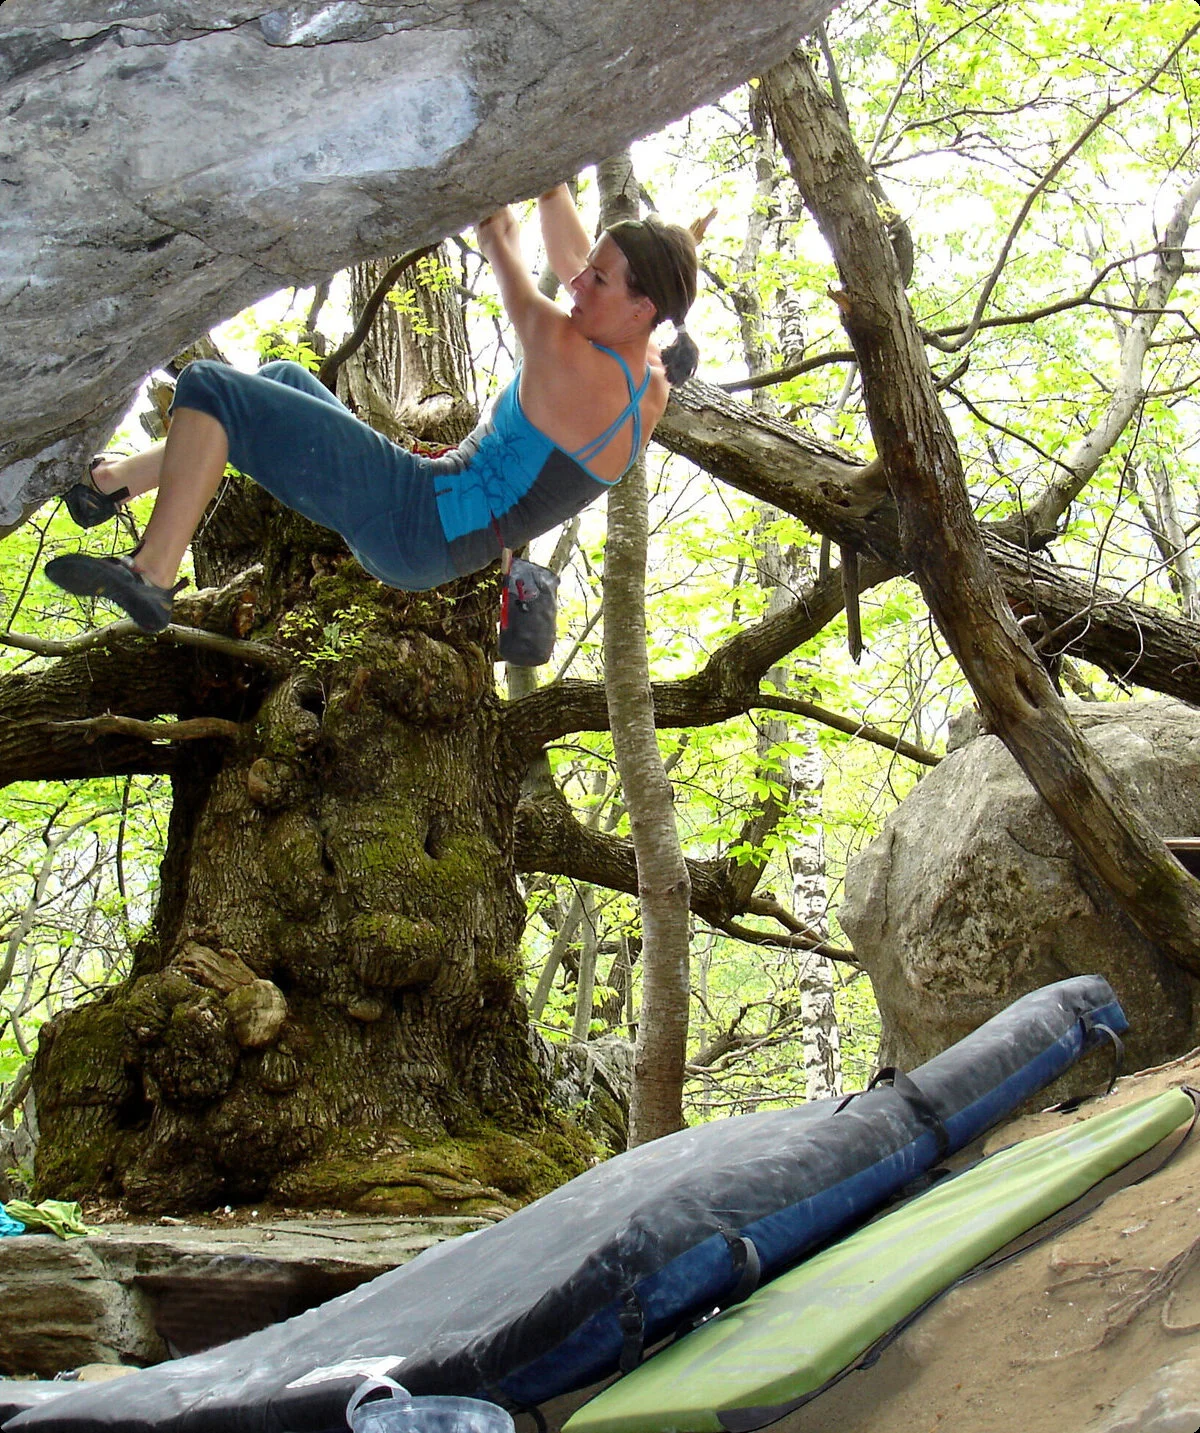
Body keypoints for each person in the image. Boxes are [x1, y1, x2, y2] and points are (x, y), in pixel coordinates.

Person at [46, 185, 705, 633]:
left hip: (415, 514)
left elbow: (500, 243)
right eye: (590, 270)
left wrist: (499, 219)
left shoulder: (568, 352)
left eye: (599, 280)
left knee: (210, 390)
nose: (580, 282)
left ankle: (151, 577)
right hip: (428, 537)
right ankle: (108, 486)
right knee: (278, 380)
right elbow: (572, 261)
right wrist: (552, 179)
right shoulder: (647, 378)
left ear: (643, 307)